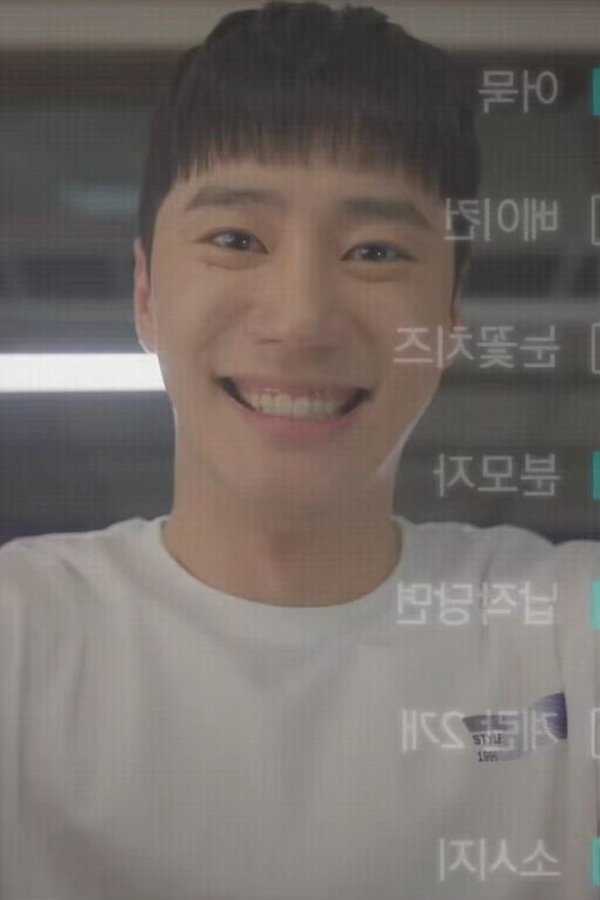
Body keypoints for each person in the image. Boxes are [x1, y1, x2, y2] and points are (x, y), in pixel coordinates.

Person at [1, 2, 599, 898]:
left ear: (449, 320)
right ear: (146, 293)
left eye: (376, 251)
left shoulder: (560, 636)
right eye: (236, 239)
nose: (302, 318)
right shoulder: (24, 637)